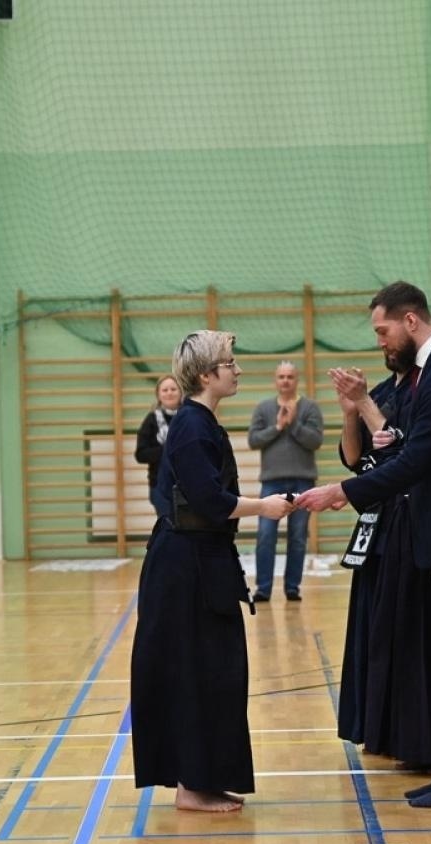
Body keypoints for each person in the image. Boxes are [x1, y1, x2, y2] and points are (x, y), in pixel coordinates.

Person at [297, 281, 431, 808]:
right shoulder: (430, 376)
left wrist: (342, 491)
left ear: (411, 320)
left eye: (383, 329)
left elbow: (414, 460)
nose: (380, 340)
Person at [129, 330, 294, 813]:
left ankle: (202, 779)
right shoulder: (191, 427)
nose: (238, 369)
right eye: (229, 362)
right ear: (206, 375)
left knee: (216, 672)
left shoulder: (201, 422)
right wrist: (263, 506)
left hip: (202, 564)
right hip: (184, 571)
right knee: (195, 671)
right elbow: (207, 500)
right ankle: (191, 784)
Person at [330, 324, 431, 770]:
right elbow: (354, 457)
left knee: (404, 632)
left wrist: (365, 407)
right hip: (375, 519)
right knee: (373, 629)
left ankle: (411, 732)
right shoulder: (387, 389)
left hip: (408, 519)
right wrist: (351, 412)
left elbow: (402, 451)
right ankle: (377, 725)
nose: (384, 346)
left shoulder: (425, 395)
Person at [247, 361, 324, 602]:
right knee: (266, 535)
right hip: (271, 482)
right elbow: (253, 440)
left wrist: (294, 424)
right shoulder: (263, 408)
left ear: (296, 379)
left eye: (290, 376)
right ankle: (263, 588)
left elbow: (315, 441)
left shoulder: (310, 407)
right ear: (275, 380)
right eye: (281, 376)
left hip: (303, 480)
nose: (285, 381)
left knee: (298, 536)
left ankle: (292, 587)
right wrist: (278, 426)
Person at [135, 375, 182, 519]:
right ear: (158, 395)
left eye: (173, 389)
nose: (169, 393)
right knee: (168, 528)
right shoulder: (151, 420)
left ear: (181, 392)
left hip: (188, 484)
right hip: (160, 485)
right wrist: (166, 450)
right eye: (165, 390)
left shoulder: (189, 416)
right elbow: (141, 454)